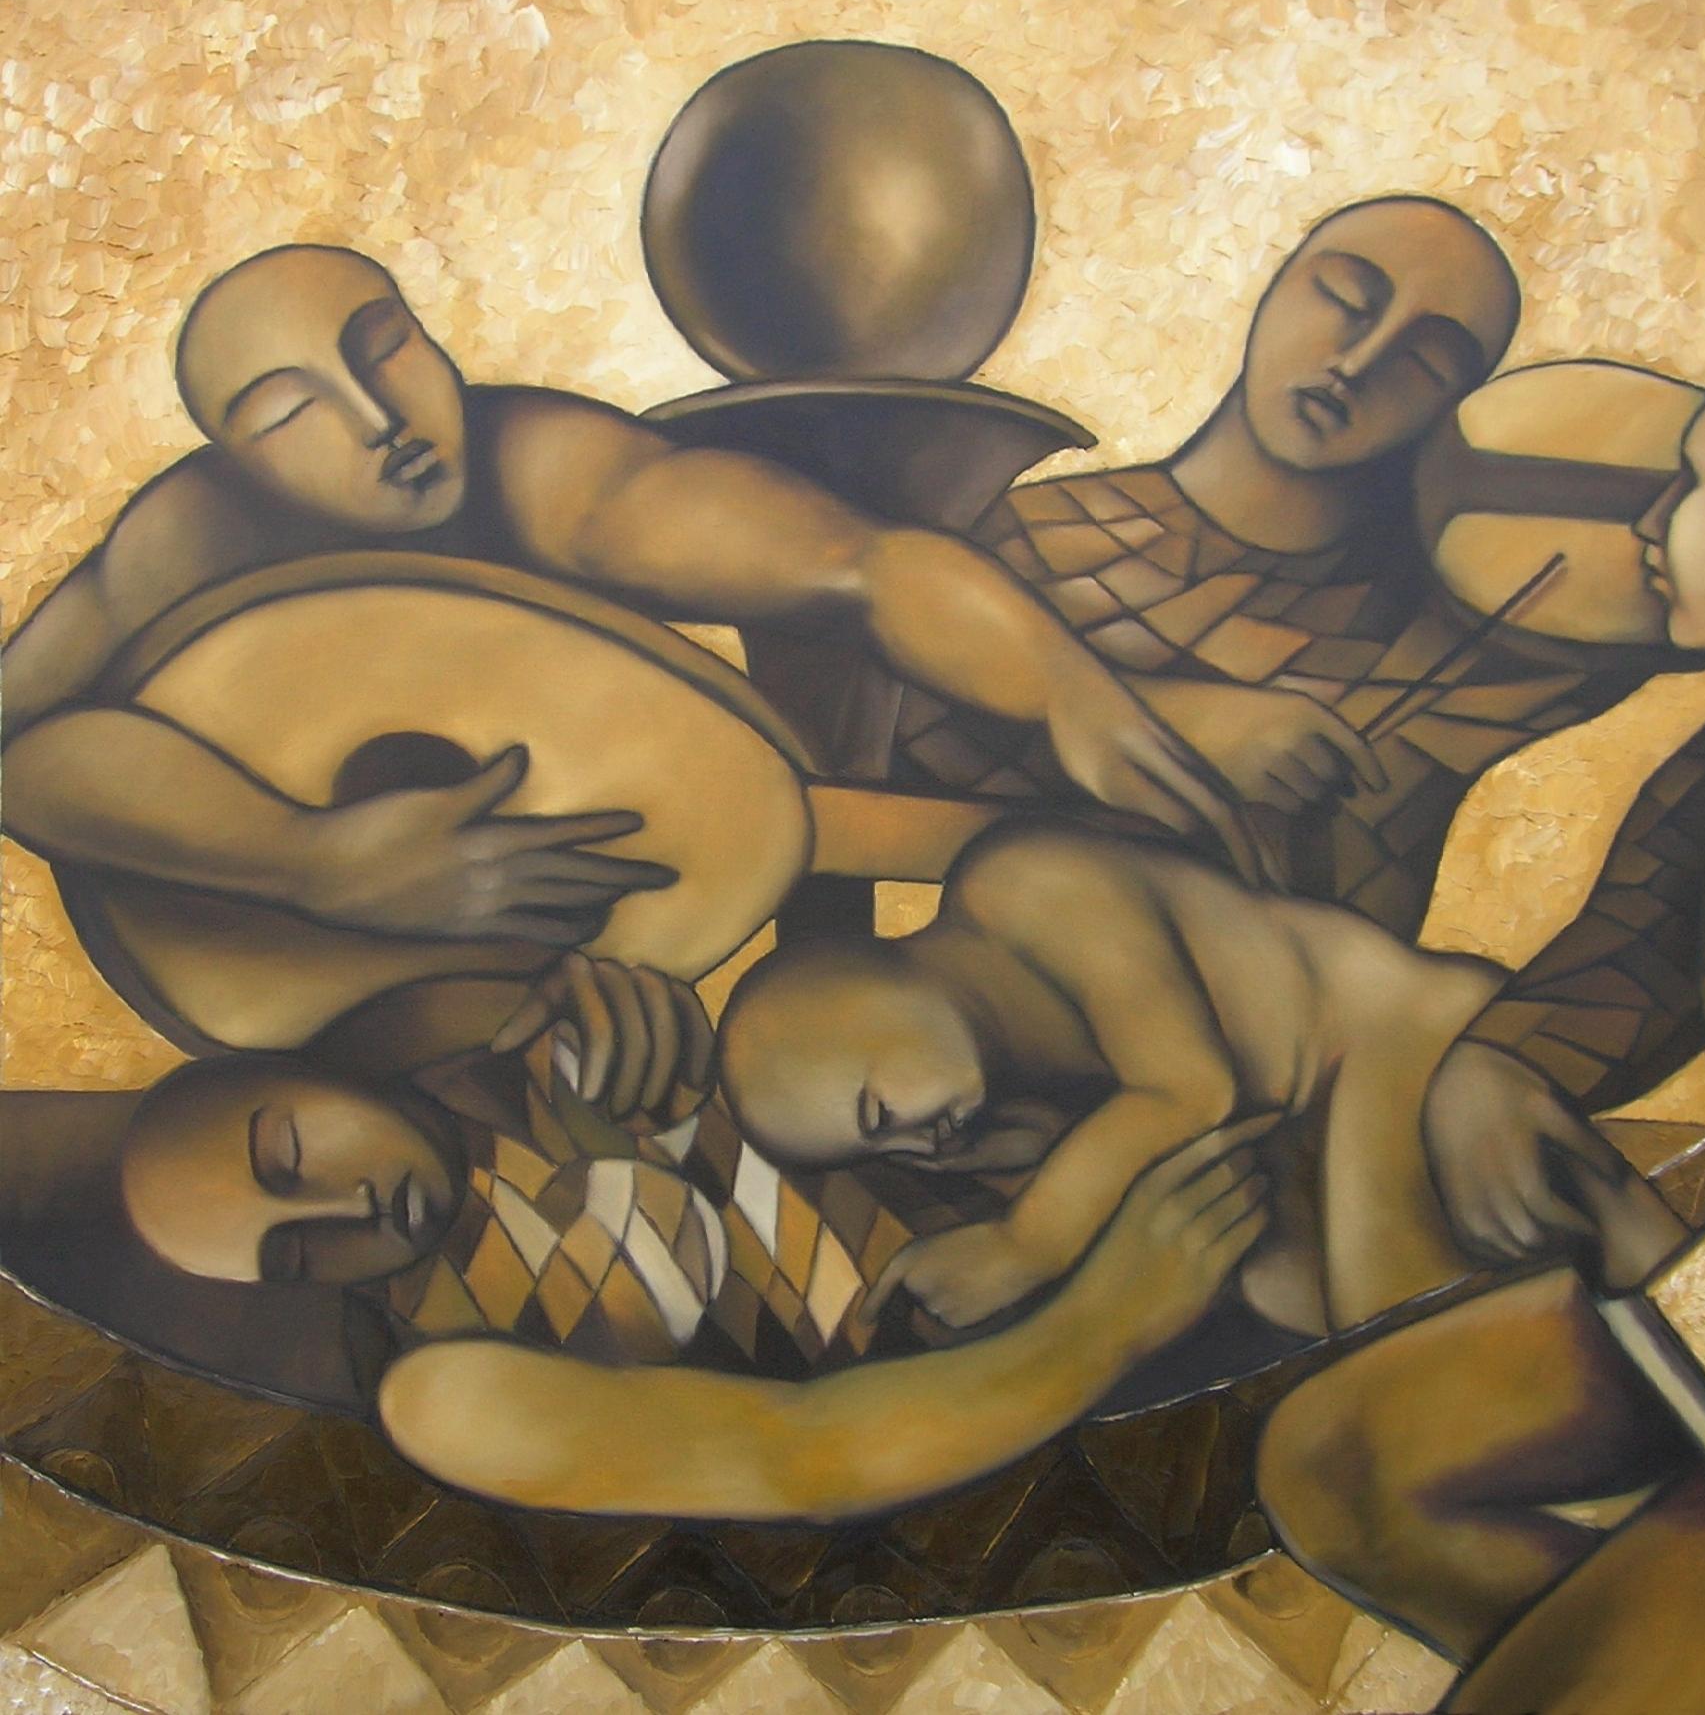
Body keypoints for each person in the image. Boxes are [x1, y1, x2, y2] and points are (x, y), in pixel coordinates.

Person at [3, 244, 1262, 956]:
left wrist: (1068, 688)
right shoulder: (189, 542)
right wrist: (306, 860)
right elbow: (17, 750)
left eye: (384, 345)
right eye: (288, 412)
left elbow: (866, 564)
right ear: (238, 456)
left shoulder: (549, 472)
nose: (377, 419)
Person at [1255, 355, 1705, 1715]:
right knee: (1338, 1459)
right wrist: (1498, 1070)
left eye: (1697, 484)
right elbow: (1608, 976)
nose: (1647, 524)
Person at [116, 949, 1272, 1522]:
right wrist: (1111, 1316)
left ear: (314, 1077)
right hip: (1145, 1340)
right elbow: (807, 1455)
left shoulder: (528, 1037)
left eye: (289, 1156)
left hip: (1103, 1117)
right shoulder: (446, 1389)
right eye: (296, 1254)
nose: (346, 1212)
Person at [890, 195, 1671, 936]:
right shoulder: (1019, 546)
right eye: (1345, 298)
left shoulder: (1464, 631)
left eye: (1428, 362)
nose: (1359, 361)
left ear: (1455, 411)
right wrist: (1163, 719)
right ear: (1271, 292)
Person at [717, 818, 1515, 1337]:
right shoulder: (993, 1053)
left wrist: (1027, 1242)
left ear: (872, 999)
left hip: (1388, 1030)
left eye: (880, 1112)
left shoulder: (1024, 886)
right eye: (885, 1151)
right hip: (1304, 1113)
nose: (917, 1145)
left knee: (1393, 1317)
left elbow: (1187, 1091)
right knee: (1278, 1286)